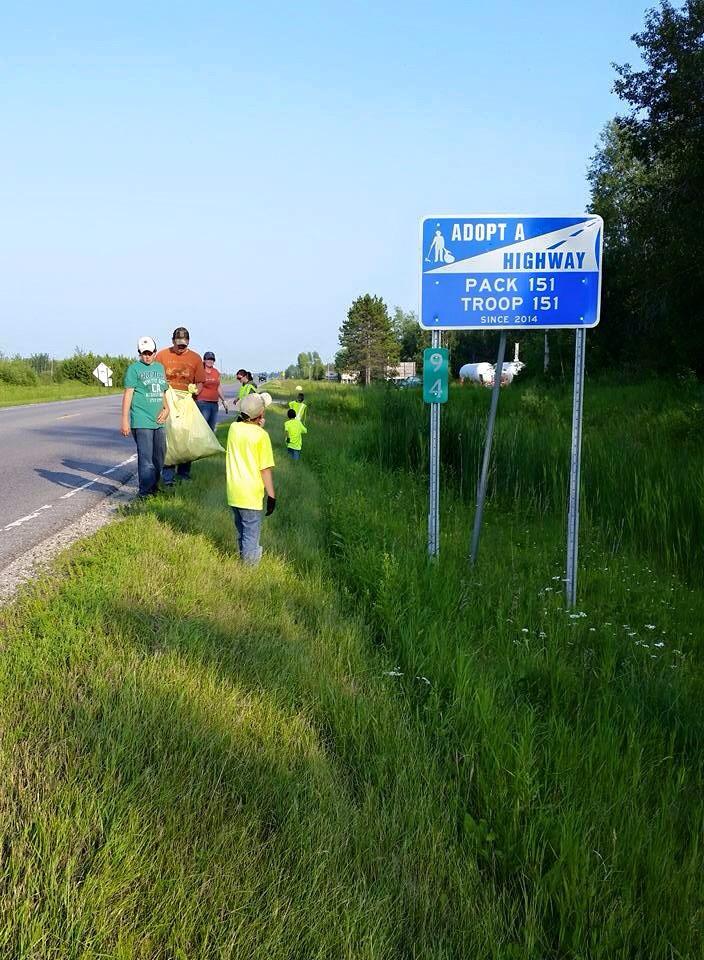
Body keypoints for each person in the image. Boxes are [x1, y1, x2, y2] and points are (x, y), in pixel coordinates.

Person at [226, 393, 275, 564]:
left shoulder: (233, 428)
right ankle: (248, 571)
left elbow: (243, 426)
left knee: (241, 531)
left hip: (234, 493)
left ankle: (241, 561)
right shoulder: (262, 436)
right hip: (250, 496)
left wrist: (256, 424)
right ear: (261, 414)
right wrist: (272, 496)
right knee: (251, 536)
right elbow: (265, 470)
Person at [154, 327, 205, 485]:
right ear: (173, 341)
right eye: (178, 344)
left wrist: (196, 390)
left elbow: (200, 382)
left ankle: (184, 474)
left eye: (184, 344)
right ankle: (168, 478)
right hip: (167, 402)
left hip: (186, 403)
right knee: (168, 440)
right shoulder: (162, 355)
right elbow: (155, 377)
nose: (181, 347)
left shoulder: (196, 358)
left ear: (188, 341)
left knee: (185, 439)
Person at [120, 336, 169, 498]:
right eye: (143, 353)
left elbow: (162, 391)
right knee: (146, 457)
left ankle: (155, 487)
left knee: (159, 456)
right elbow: (128, 394)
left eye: (150, 353)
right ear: (139, 353)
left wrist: (167, 408)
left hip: (159, 420)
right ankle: (145, 492)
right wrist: (125, 419)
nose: (147, 356)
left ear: (155, 352)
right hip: (141, 419)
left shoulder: (160, 368)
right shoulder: (134, 369)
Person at [196, 351, 228, 432]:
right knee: (203, 427)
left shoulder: (216, 372)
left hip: (214, 403)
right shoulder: (200, 371)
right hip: (203, 403)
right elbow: (196, 385)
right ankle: (201, 443)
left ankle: (209, 444)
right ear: (204, 360)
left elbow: (218, 387)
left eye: (212, 359)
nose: (210, 361)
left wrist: (224, 401)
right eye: (208, 359)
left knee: (211, 428)